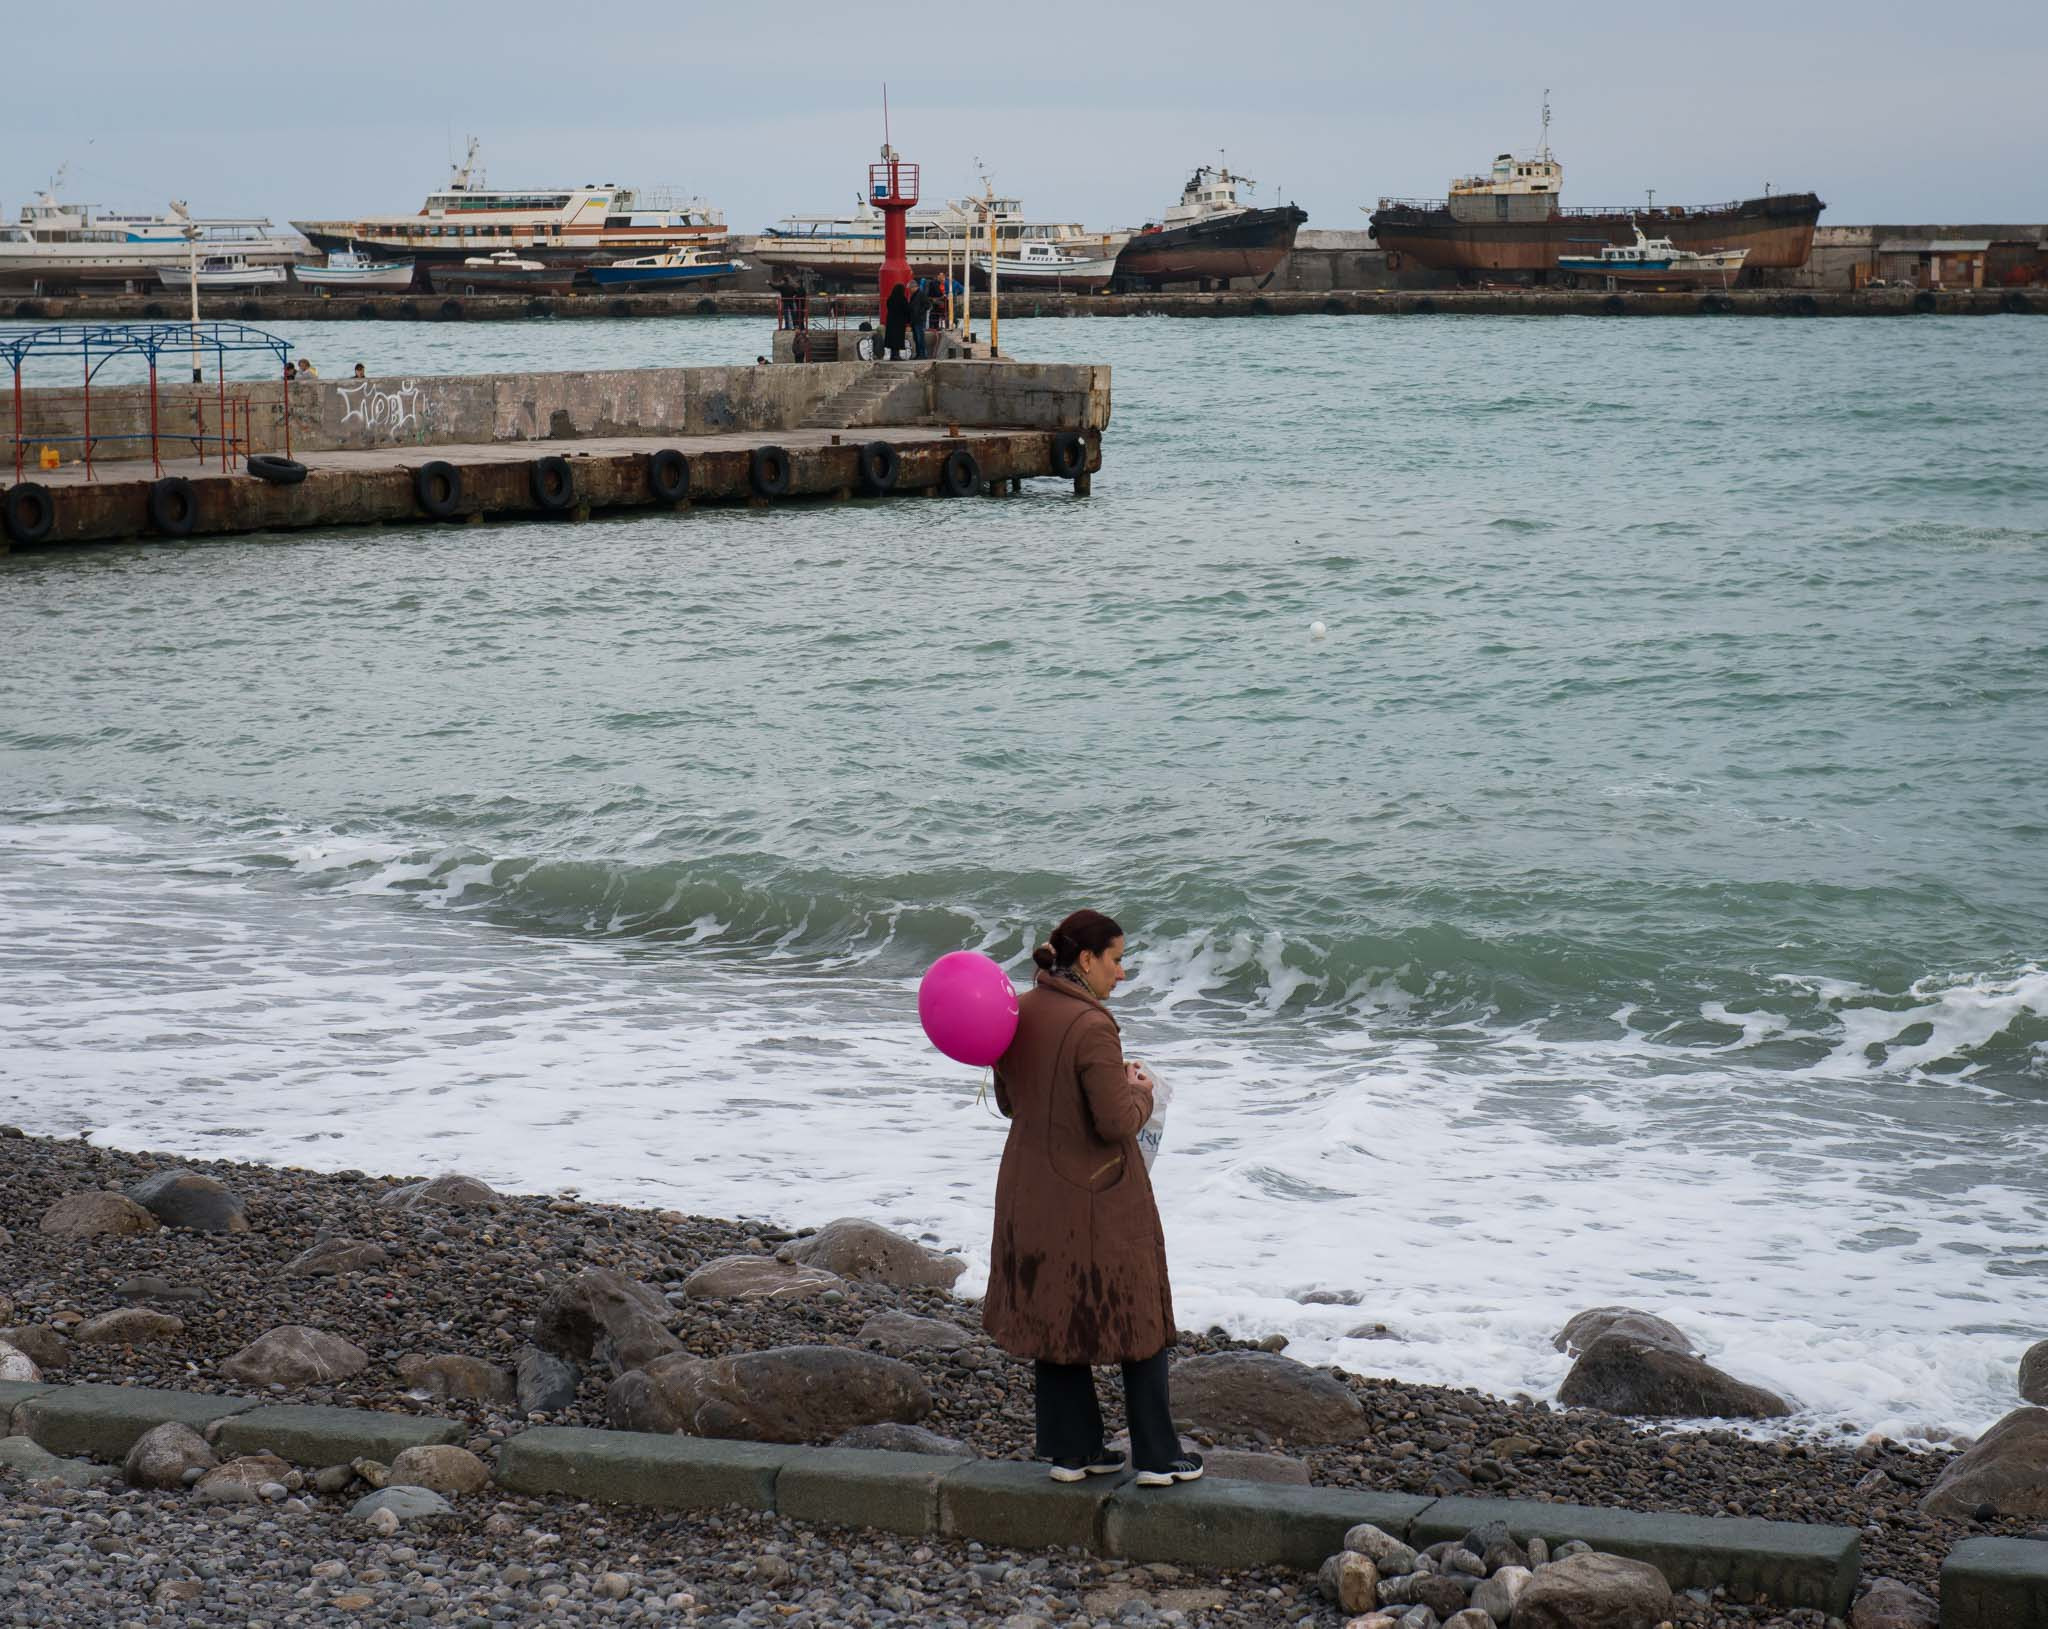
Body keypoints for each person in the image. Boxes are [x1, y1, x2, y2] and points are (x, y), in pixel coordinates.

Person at [984, 909, 1202, 1487]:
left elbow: (1009, 1103)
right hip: (1098, 1195)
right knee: (1139, 1315)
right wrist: (1142, 1093)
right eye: (1117, 959)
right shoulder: (1092, 1026)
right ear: (1086, 960)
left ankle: (1072, 1450)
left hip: (1030, 1190)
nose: (1122, 972)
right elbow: (1113, 1122)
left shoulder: (1019, 1012)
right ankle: (1157, 1457)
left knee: (1056, 1317)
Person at [883, 281, 912, 361]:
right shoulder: (902, 299)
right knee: (898, 339)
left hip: (891, 321)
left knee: (892, 339)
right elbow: (906, 310)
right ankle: (896, 355)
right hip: (899, 322)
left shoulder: (890, 299)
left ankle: (893, 355)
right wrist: (908, 321)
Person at [908, 278, 931, 359]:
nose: (909, 290)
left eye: (910, 288)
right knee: (916, 338)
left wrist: (920, 312)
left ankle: (923, 354)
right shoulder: (913, 296)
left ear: (914, 287)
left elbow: (928, 305)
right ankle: (918, 354)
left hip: (919, 320)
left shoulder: (921, 294)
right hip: (914, 320)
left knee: (920, 337)